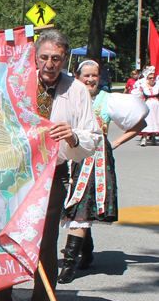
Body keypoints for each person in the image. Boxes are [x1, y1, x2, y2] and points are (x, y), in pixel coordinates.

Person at [0, 30, 101, 301]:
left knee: (46, 245)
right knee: (3, 238)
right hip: (13, 173)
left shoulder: (76, 90)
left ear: (66, 59)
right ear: (36, 57)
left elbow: (92, 137)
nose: (50, 64)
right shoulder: (17, 82)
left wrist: (73, 136)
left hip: (52, 174)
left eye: (57, 58)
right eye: (45, 57)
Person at [58, 60, 148, 283]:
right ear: (76, 76)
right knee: (73, 206)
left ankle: (69, 263)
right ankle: (86, 251)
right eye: (86, 75)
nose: (90, 79)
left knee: (81, 206)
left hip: (95, 162)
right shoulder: (67, 97)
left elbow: (140, 124)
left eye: (94, 75)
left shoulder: (108, 100)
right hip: (68, 157)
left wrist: (113, 143)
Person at [135, 69, 159, 146]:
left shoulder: (157, 86)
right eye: (150, 78)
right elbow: (139, 95)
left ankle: (154, 137)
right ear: (147, 78)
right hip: (148, 104)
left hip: (157, 105)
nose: (152, 80)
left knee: (156, 120)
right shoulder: (143, 86)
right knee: (148, 120)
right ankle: (144, 138)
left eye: (153, 78)